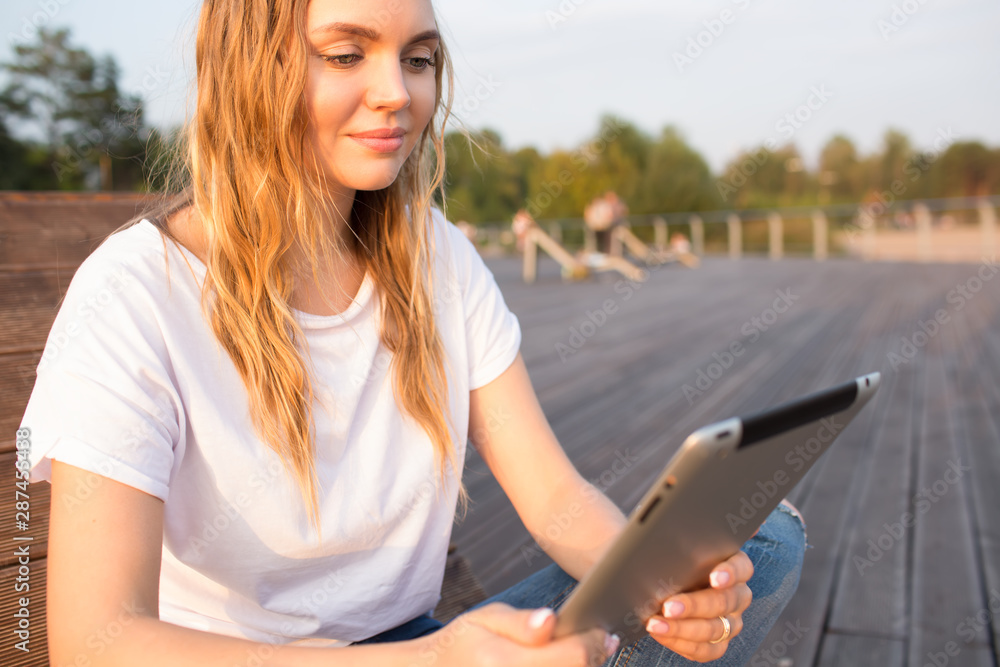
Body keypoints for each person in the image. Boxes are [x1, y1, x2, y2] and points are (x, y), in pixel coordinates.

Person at [19, 1, 805, 665]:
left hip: (419, 644)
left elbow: (556, 497)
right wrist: (426, 661)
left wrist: (655, 586)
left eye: (419, 58)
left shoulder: (439, 257)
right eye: (346, 52)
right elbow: (97, 638)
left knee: (752, 548)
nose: (396, 91)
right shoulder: (132, 294)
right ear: (246, 68)